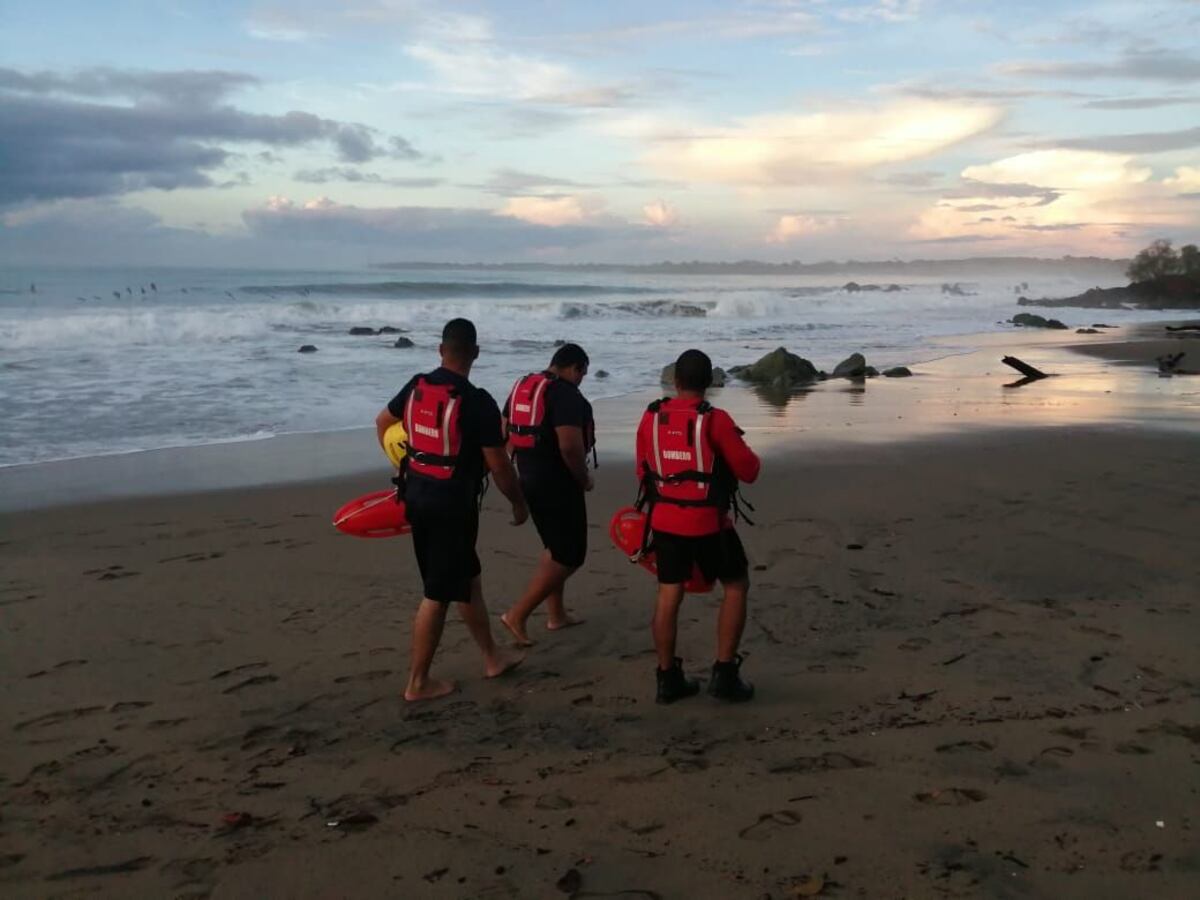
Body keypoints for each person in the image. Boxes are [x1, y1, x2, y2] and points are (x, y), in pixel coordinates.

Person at [374, 318, 528, 702]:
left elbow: (383, 422)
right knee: (438, 593)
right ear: (475, 352)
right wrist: (519, 502)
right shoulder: (477, 402)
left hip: (416, 496)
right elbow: (499, 465)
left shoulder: (417, 385)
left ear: (441, 350)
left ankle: (492, 657)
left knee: (468, 578)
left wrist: (400, 465)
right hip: (451, 509)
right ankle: (418, 683)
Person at [635, 349, 761, 704]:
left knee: (669, 593)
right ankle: (724, 675)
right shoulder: (715, 420)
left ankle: (667, 678)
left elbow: (643, 472)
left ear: (674, 381)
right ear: (710, 383)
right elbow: (749, 470)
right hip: (709, 525)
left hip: (664, 522)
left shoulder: (651, 417)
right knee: (736, 584)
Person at [499, 344, 595, 646]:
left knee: (554, 546)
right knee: (570, 555)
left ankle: (557, 615)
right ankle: (517, 614)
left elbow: (504, 431)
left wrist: (513, 474)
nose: (581, 380)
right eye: (583, 374)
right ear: (575, 368)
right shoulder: (565, 394)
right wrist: (584, 478)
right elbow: (569, 445)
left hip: (528, 476)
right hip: (557, 482)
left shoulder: (524, 386)